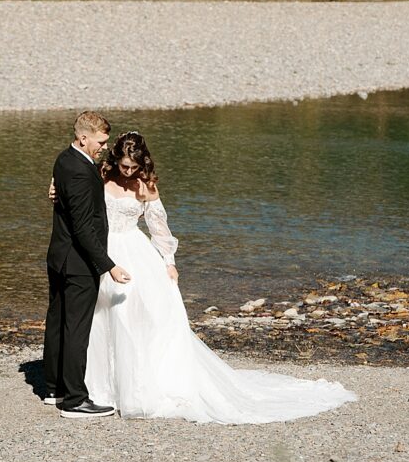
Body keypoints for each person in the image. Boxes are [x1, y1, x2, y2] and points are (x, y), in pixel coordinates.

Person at [83, 131, 358, 423]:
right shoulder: (101, 173)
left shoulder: (146, 186)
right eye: (124, 166)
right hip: (103, 247)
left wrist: (169, 262)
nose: (128, 171)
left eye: (133, 167)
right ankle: (99, 388)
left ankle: (134, 387)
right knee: (99, 316)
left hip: (134, 250)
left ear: (142, 164)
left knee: (134, 315)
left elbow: (159, 227)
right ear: (115, 159)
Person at [43, 111, 132, 419]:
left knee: (58, 322)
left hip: (58, 256)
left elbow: (65, 199)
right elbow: (83, 228)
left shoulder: (64, 159)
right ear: (84, 138)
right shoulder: (81, 170)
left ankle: (53, 387)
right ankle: (74, 400)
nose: (104, 147)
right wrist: (109, 265)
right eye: (101, 141)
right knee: (76, 328)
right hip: (77, 262)